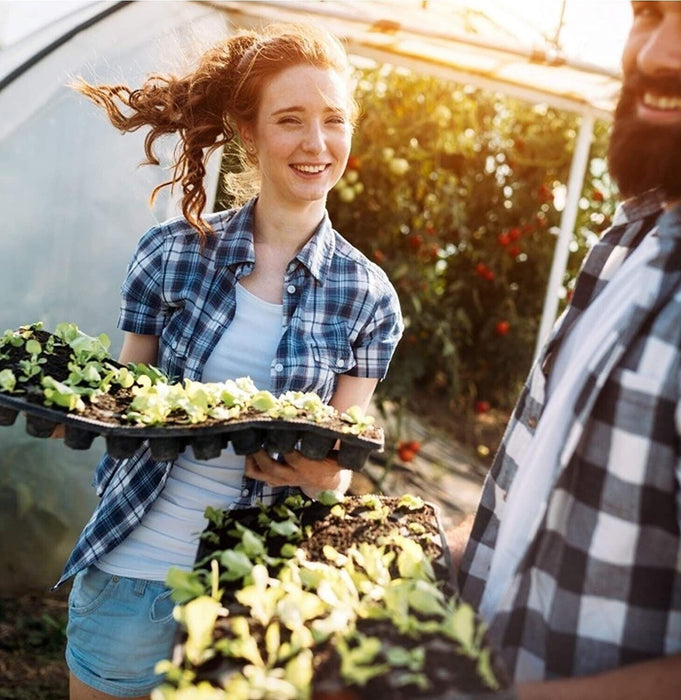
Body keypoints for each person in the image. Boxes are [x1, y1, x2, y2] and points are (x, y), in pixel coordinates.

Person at [53, 23, 403, 700]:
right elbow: (123, 404)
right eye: (290, 120)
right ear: (248, 132)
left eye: (334, 120)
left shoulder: (368, 298)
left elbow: (337, 462)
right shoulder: (171, 255)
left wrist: (323, 473)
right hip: (136, 571)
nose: (316, 143)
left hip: (256, 597)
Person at [450, 2, 681, 697]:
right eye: (649, 10)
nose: (657, 54)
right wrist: (403, 553)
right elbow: (536, 512)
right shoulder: (629, 240)